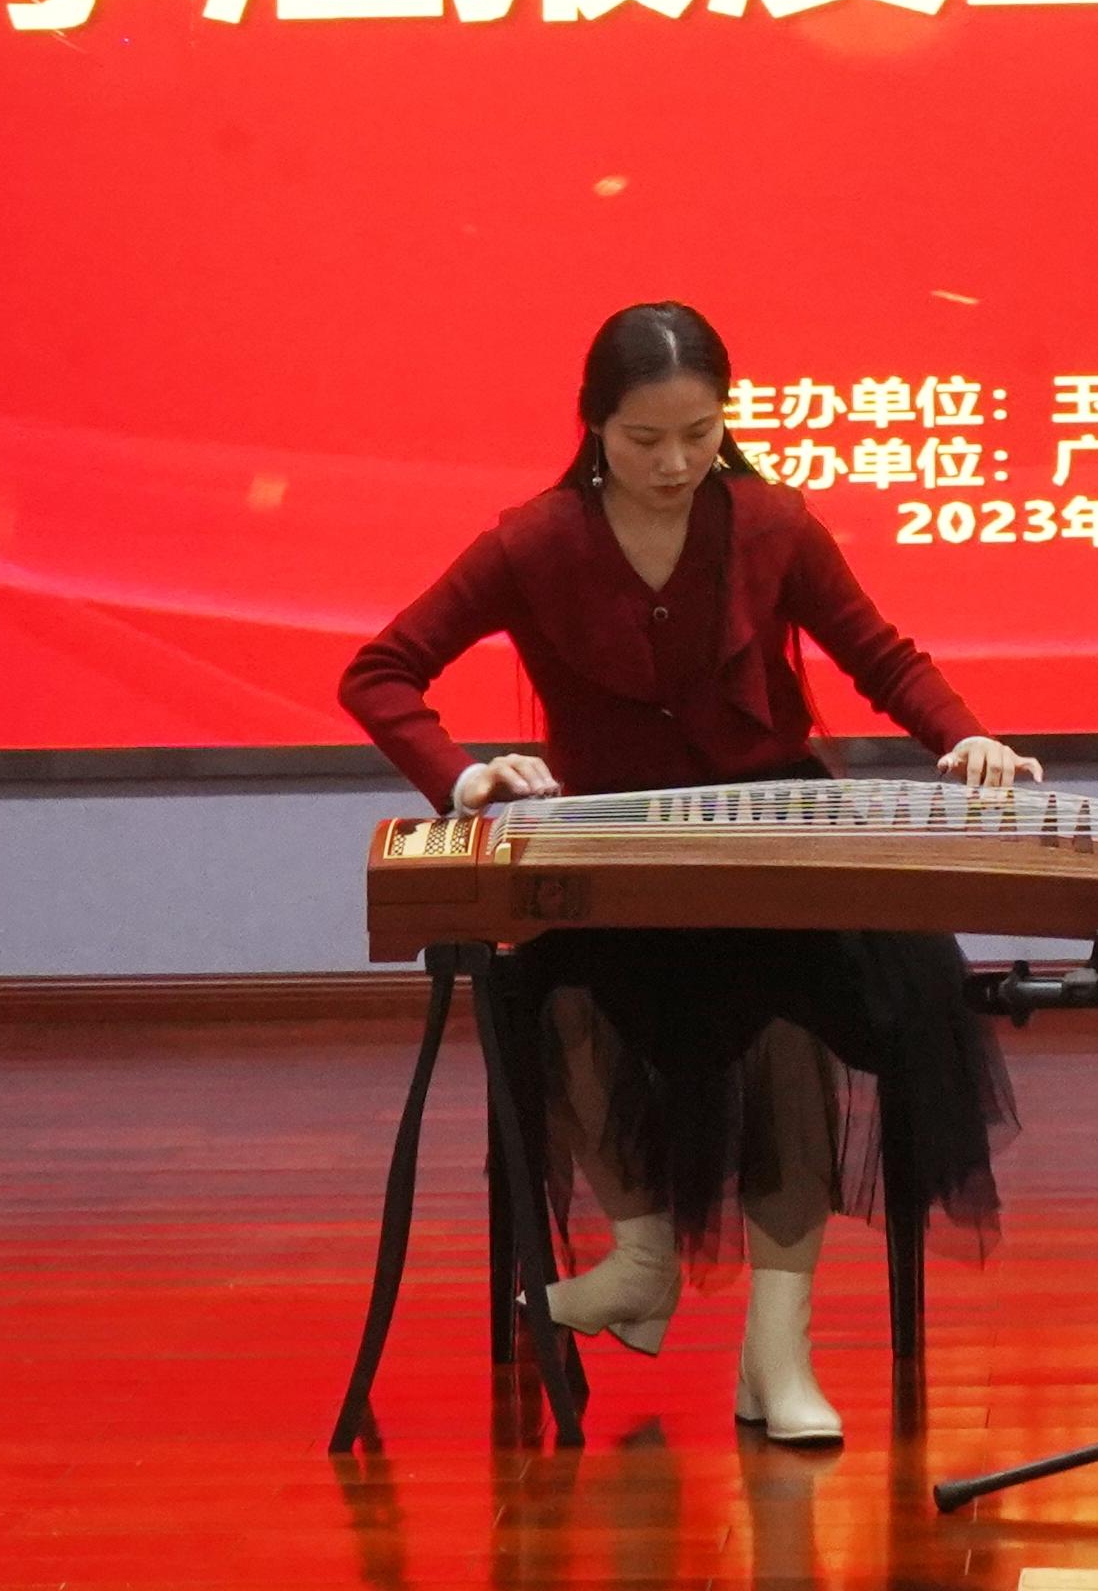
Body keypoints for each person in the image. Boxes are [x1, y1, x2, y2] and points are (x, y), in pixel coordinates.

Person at [340, 301, 1039, 1448]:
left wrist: (964, 736)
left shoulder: (771, 523)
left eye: (700, 434)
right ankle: (643, 1257)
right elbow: (381, 671)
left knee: (801, 1015)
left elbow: (882, 656)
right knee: (552, 994)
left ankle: (780, 1347)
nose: (674, 462)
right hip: (618, 851)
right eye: (644, 438)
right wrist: (462, 775)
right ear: (594, 425)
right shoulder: (534, 541)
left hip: (775, 838)